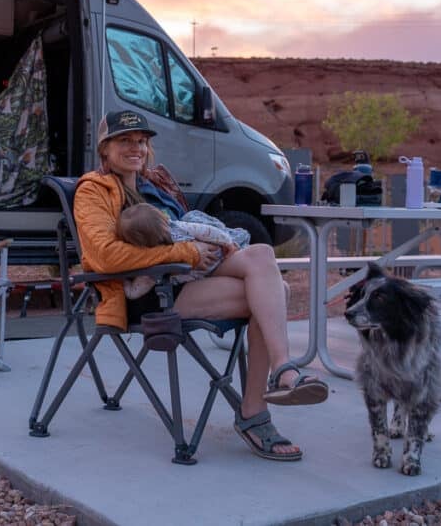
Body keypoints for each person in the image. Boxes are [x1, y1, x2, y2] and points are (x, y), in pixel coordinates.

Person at [74, 109, 329, 462]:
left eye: (141, 142)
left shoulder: (154, 183)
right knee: (275, 294)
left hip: (187, 276)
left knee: (262, 256)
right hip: (151, 293)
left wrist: (203, 248)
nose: (135, 148)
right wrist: (189, 251)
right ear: (105, 149)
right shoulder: (93, 190)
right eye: (124, 141)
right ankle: (257, 409)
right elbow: (104, 256)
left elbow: (186, 228)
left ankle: (282, 370)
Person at [116, 202, 248, 298]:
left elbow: (134, 292)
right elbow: (209, 232)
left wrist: (122, 280)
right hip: (217, 260)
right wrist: (228, 243)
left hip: (200, 278)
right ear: (163, 217)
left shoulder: (153, 260)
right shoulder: (179, 227)